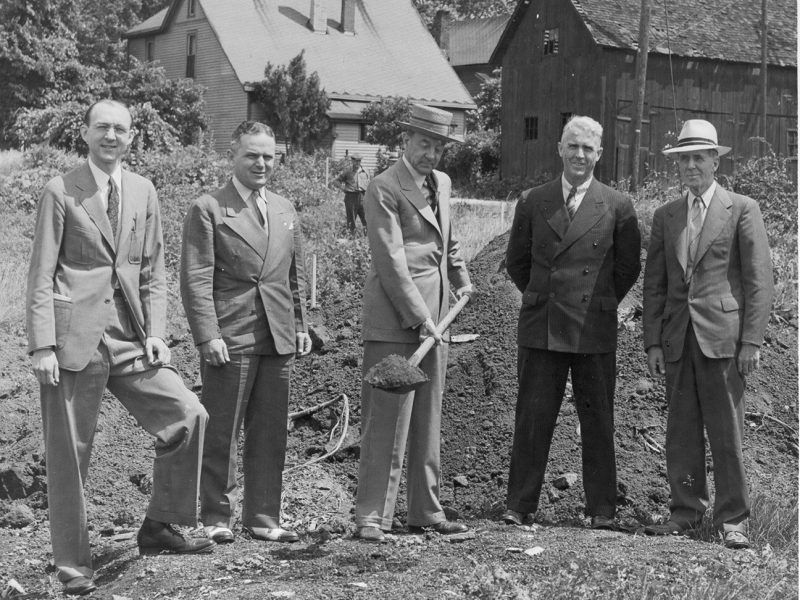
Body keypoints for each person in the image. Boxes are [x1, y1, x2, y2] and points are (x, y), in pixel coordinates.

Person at [26, 99, 213, 596]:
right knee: (71, 454)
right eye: (102, 127)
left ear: (132, 138)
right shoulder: (61, 190)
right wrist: (42, 345)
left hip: (129, 336)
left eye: (121, 129)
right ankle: (72, 565)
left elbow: (152, 270)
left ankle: (160, 525)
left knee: (188, 415)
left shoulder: (144, 191)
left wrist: (155, 330)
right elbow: (41, 273)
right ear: (85, 134)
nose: (112, 136)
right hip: (73, 341)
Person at [503, 115, 641, 530]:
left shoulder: (618, 205)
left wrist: (599, 302)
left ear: (599, 154)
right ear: (560, 149)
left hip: (592, 328)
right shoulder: (533, 200)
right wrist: (546, 296)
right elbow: (517, 263)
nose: (579, 155)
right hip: (542, 325)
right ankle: (519, 505)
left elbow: (628, 268)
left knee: (598, 418)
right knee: (532, 417)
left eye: (588, 148)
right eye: (573, 146)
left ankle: (601, 510)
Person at [642, 119, 773, 549]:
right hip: (679, 339)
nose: (692, 166)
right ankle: (686, 511)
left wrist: (751, 341)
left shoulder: (742, 209)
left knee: (726, 431)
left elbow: (758, 281)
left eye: (700, 157)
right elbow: (655, 283)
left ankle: (733, 519)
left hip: (724, 339)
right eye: (684, 159)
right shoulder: (667, 216)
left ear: (716, 161)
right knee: (680, 430)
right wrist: (654, 341)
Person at [180, 121, 312, 546]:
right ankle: (216, 516)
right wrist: (207, 334)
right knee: (221, 429)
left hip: (277, 334)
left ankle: (263, 517)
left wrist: (300, 326)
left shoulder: (284, 208)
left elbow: (290, 276)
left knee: (271, 430)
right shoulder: (209, 208)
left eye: (268, 156)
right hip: (231, 333)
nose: (261, 163)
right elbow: (195, 278)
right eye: (252, 155)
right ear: (233, 156)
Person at [356, 104, 473, 542]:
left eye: (439, 146)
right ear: (406, 141)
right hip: (395, 319)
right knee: (386, 418)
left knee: (427, 418)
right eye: (424, 143)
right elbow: (390, 260)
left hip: (438, 317)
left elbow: (449, 239)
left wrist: (461, 279)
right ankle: (371, 517)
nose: (431, 154)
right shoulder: (384, 187)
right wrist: (420, 317)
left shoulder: (441, 183)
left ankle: (425, 511)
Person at [336, 152, 369, 233]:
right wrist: (343, 188)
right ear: (352, 161)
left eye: (359, 161)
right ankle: (351, 237)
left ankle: (367, 237)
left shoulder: (365, 171)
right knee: (351, 219)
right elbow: (336, 181)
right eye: (356, 161)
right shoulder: (347, 171)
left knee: (366, 218)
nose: (357, 163)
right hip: (351, 197)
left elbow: (370, 183)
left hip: (363, 197)